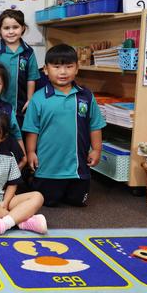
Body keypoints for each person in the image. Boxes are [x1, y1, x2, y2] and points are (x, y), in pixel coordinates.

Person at [23, 44, 106, 207]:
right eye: (56, 67)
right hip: (48, 168)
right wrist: (31, 152)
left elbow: (95, 125)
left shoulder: (86, 96)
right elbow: (32, 129)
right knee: (47, 202)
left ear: (77, 68)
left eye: (69, 66)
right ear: (46, 70)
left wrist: (96, 150)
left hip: (77, 169)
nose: (63, 72)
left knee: (77, 202)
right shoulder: (38, 98)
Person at [0, 9, 40, 127]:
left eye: (15, 27)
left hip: (21, 107)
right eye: (6, 28)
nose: (11, 32)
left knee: (17, 136)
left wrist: (30, 100)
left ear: (23, 28)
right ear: (0, 30)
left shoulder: (28, 52)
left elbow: (31, 78)